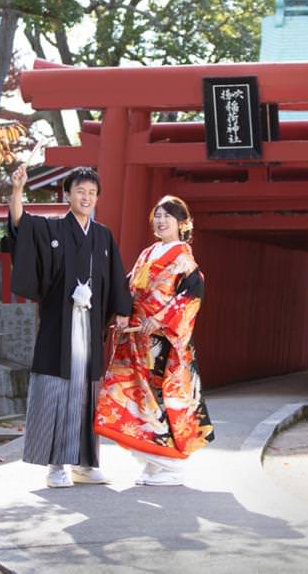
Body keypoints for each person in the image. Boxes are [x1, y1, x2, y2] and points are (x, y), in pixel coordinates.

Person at [7, 164, 132, 488]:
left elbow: (116, 277)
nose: (86, 197)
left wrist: (122, 309)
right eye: (80, 191)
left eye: (92, 193)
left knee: (87, 393)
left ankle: (86, 464)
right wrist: (18, 190)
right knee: (56, 390)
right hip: (59, 326)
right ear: (67, 195)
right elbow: (21, 223)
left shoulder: (103, 236)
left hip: (90, 324)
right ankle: (56, 465)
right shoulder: (51, 229)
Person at [94, 195, 214, 486]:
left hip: (160, 343)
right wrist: (122, 312)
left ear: (182, 223)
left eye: (167, 217)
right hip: (136, 337)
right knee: (132, 397)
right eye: (157, 216)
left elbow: (191, 295)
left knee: (157, 400)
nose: (160, 221)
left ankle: (172, 464)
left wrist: (160, 319)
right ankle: (154, 462)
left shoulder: (184, 257)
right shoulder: (148, 253)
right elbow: (128, 286)